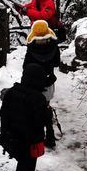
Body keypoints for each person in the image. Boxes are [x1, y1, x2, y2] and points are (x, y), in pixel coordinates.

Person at [0, 63, 52, 171]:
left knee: (21, 163)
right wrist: (47, 112)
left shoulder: (12, 92)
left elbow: (3, 115)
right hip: (29, 142)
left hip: (11, 139)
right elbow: (42, 121)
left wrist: (4, 134)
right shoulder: (38, 98)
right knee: (27, 168)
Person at [23, 20, 60, 148]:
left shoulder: (31, 49)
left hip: (34, 85)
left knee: (35, 109)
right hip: (48, 82)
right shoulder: (54, 47)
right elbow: (57, 63)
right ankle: (50, 135)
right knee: (46, 107)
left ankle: (36, 135)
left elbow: (26, 66)